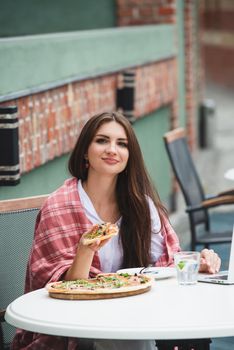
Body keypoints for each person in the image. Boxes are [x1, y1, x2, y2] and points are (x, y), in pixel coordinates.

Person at [12, 111, 221, 350]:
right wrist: (84, 250)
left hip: (133, 315)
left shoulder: (141, 206)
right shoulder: (58, 206)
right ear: (85, 152)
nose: (112, 149)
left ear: (129, 156)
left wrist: (198, 263)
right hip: (76, 325)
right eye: (102, 140)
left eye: (122, 144)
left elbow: (165, 265)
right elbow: (63, 292)